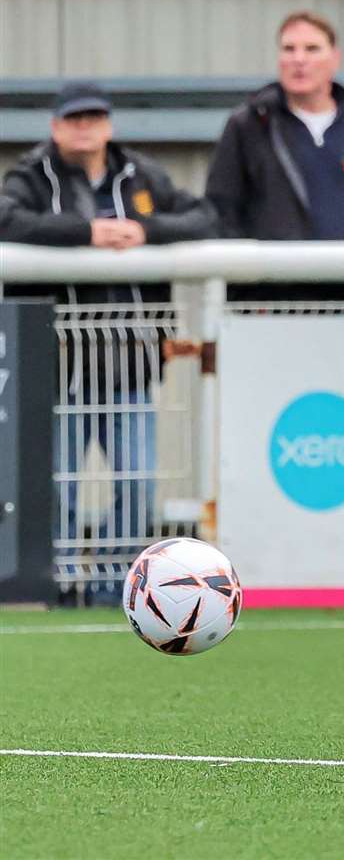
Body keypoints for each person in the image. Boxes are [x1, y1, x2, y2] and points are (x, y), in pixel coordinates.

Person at [0, 82, 217, 599]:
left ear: (110, 125)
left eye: (94, 117)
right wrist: (86, 232)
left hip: (129, 366)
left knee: (137, 486)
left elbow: (205, 216)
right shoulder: (32, 176)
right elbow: (7, 218)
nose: (84, 127)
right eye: (74, 118)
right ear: (54, 127)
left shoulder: (139, 175)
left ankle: (119, 590)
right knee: (59, 489)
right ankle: (59, 585)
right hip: (59, 368)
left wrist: (144, 230)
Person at [205, 11, 344, 302]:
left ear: (335, 58)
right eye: (289, 49)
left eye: (311, 49)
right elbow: (222, 210)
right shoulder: (249, 125)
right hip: (273, 302)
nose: (299, 59)